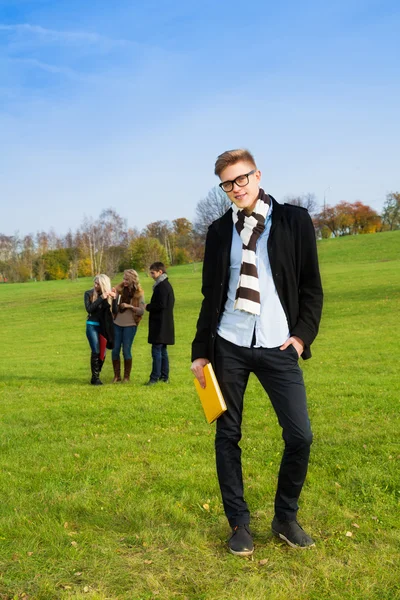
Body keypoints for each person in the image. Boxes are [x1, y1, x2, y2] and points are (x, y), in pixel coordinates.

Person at [191, 149, 323, 556]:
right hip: (229, 344)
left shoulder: (294, 220)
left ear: (258, 174)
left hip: (278, 344)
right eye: (228, 183)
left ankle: (285, 518)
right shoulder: (217, 232)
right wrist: (200, 351)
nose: (237, 189)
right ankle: (239, 525)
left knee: (300, 435)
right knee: (227, 435)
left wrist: (301, 337)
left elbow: (311, 288)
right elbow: (210, 294)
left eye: (242, 178)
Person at [111, 269, 145, 383]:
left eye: (127, 279)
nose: (124, 281)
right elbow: (112, 305)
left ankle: (126, 377)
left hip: (130, 325)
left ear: (132, 280)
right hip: (116, 323)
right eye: (123, 279)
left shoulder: (139, 293)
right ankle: (117, 376)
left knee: (126, 350)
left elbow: (141, 311)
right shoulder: (118, 290)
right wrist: (113, 298)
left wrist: (129, 306)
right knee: (115, 350)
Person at [145, 262, 175, 385]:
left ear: (160, 272)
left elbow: (161, 305)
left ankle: (154, 377)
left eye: (153, 272)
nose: (151, 275)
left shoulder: (162, 286)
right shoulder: (166, 285)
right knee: (162, 351)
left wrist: (148, 306)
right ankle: (164, 376)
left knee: (157, 351)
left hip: (160, 324)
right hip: (164, 324)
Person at [84, 274, 115, 385]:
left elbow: (114, 311)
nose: (95, 285)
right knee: (96, 350)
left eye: (98, 283)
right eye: (95, 283)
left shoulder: (107, 295)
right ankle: (95, 378)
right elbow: (89, 309)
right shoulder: (88, 293)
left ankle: (97, 373)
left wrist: (114, 298)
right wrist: (101, 298)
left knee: (103, 352)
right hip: (92, 325)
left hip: (104, 326)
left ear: (103, 285)